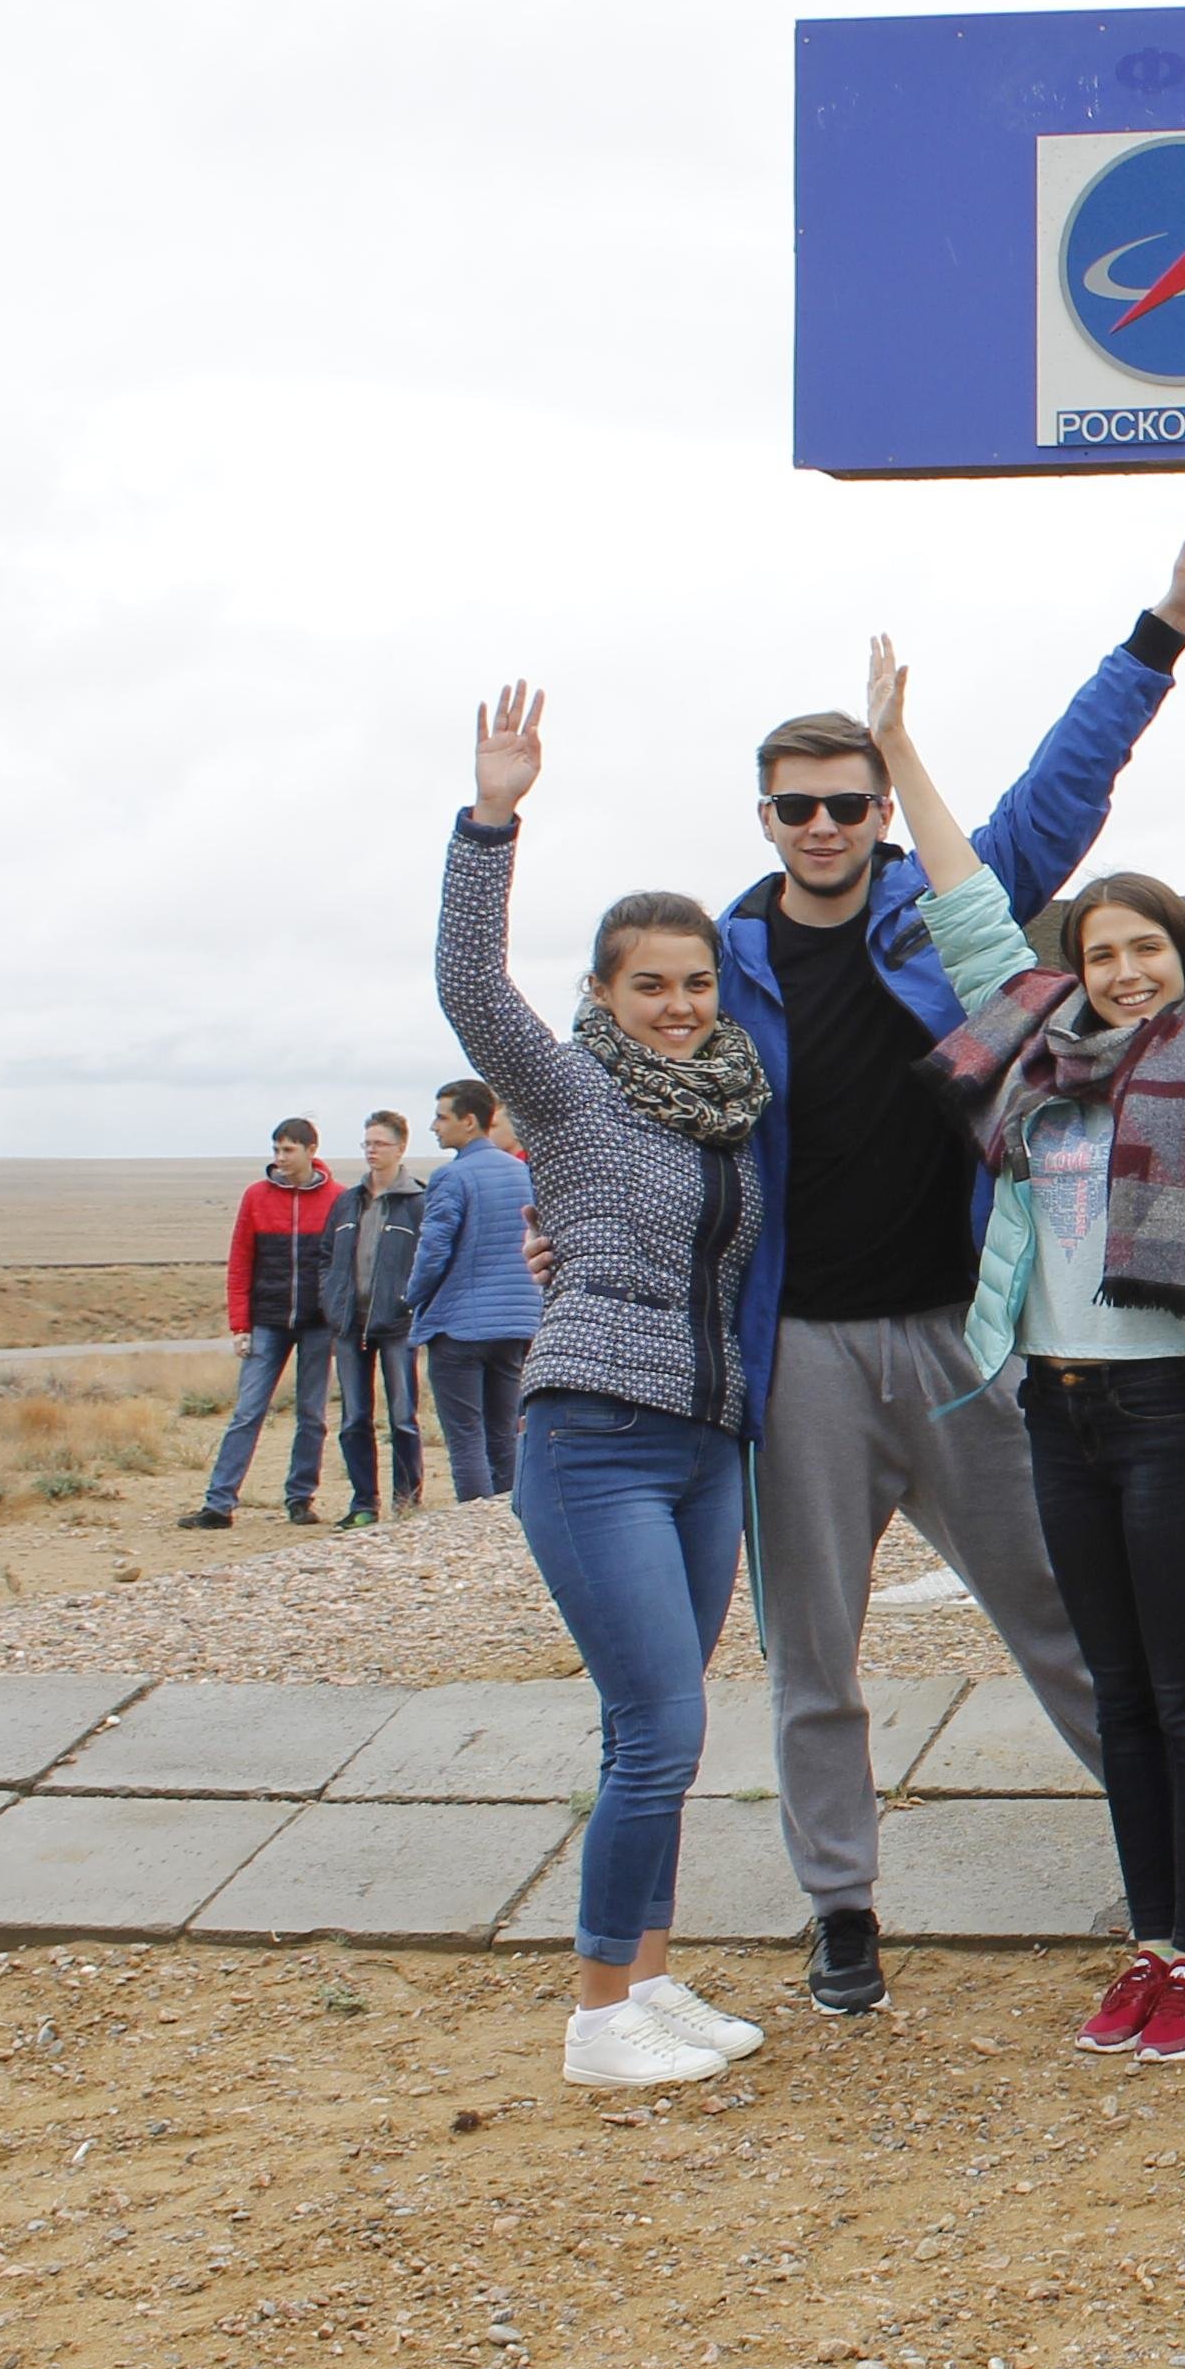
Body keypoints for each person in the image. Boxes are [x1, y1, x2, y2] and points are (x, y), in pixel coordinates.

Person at [713, 501, 1185, 2019]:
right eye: (797, 805)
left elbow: (1067, 794)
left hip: (963, 1336)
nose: (823, 825)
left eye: (848, 802)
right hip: (809, 1345)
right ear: (766, 816)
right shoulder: (726, 968)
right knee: (814, 1650)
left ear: (878, 808)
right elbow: (650, 1095)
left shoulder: (945, 935)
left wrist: (1165, 632)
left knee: (1078, 1620)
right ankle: (842, 1906)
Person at [872, 636, 1185, 2066]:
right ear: (1073, 969)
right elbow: (964, 905)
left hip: (1171, 1419)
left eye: (1148, 949)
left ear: (1184, 963)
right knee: (1118, 1694)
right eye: (1102, 951)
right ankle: (1151, 1941)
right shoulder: (1035, 1060)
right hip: (1056, 1417)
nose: (1126, 971)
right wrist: (897, 750)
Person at [434, 682, 775, 2090]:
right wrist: (491, 820)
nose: (678, 1007)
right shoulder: (571, 1092)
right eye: (651, 986)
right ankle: (595, 2017)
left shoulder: (731, 1113)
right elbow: (470, 989)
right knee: (657, 1729)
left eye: (696, 984)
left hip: (705, 1444)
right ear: (603, 995)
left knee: (664, 1723)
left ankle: (649, 1974)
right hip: (595, 1438)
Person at [181, 1120, 352, 1529]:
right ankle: (219, 1504)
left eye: (288, 1150)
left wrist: (339, 1317)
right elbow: (241, 1261)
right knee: (247, 1411)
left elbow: (344, 1265)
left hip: (318, 1323)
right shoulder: (256, 1196)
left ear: (311, 1150)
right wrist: (240, 1326)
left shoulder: (338, 1199)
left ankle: (300, 1498)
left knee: (312, 1414)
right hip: (268, 1322)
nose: (280, 1158)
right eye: (276, 1149)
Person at [410, 1080, 542, 1500]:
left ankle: (473, 1516)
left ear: (469, 1121)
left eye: (441, 1117)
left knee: (466, 1437)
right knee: (504, 1433)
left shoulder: (451, 1176)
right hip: (516, 1325)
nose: (434, 1126)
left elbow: (434, 1250)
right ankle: (509, 1519)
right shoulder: (524, 1173)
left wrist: (411, 1297)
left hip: (460, 1327)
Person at [326, 1110, 433, 1523]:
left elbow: (431, 1257)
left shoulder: (417, 1202)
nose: (372, 1151)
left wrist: (411, 1302)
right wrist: (332, 1299)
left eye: (380, 1144)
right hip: (350, 1323)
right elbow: (326, 1256)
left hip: (397, 1324)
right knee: (354, 1418)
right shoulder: (347, 1201)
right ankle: (363, 1504)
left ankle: (407, 1503)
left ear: (400, 1148)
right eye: (367, 1144)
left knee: (403, 1418)